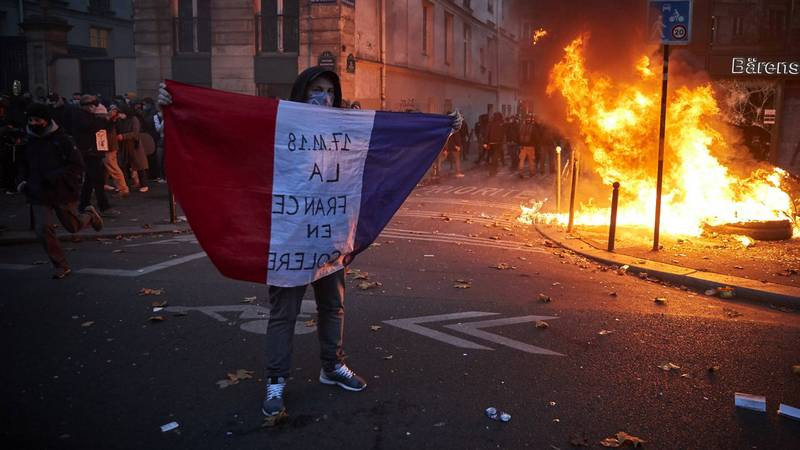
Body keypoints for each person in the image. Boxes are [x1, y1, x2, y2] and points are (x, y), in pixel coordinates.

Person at [158, 68, 461, 421]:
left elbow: (391, 138)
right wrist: (173, 108)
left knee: (332, 307)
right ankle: (275, 381)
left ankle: (332, 366)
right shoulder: (280, 121)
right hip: (289, 239)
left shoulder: (347, 125)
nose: (324, 98)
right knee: (283, 314)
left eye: (330, 91)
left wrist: (442, 125)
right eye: (316, 90)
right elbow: (226, 131)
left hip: (329, 236)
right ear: (302, 91)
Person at [15, 103, 103, 279]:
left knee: (73, 226)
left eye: (37, 120)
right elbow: (21, 164)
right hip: (37, 191)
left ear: (46, 121)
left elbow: (77, 165)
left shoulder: (62, 139)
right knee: (43, 229)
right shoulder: (27, 141)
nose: (33, 123)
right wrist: (22, 182)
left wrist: (59, 177)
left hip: (61, 190)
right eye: (31, 120)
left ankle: (89, 215)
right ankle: (60, 265)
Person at [73, 95, 113, 213]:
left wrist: (109, 120)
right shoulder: (80, 116)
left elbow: (104, 128)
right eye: (91, 105)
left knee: (90, 180)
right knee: (97, 179)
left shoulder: (90, 117)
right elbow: (91, 127)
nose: (93, 108)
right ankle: (103, 206)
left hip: (94, 150)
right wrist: (102, 119)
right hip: (89, 151)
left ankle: (84, 204)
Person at [517, 114, 538, 178]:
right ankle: (531, 173)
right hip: (531, 146)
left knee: (521, 160)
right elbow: (536, 137)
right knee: (531, 160)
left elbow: (518, 136)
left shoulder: (522, 127)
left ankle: (521, 172)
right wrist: (536, 145)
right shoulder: (533, 127)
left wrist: (520, 144)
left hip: (523, 146)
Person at [486, 112, 505, 176]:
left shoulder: (490, 124)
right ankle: (493, 171)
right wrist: (502, 143)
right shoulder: (501, 124)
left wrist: (486, 143)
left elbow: (487, 134)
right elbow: (502, 135)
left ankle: (492, 171)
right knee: (495, 158)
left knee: (492, 157)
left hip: (490, 143)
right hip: (498, 144)